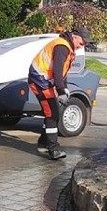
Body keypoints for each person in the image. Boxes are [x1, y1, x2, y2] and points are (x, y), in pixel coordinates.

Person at [28, 27, 90, 160]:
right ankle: (53, 148)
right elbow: (57, 70)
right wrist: (61, 90)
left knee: (53, 113)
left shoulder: (66, 45)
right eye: (81, 42)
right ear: (74, 36)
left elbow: (62, 72)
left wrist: (64, 89)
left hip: (43, 80)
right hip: (39, 81)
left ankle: (43, 144)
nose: (82, 46)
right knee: (52, 113)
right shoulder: (62, 46)